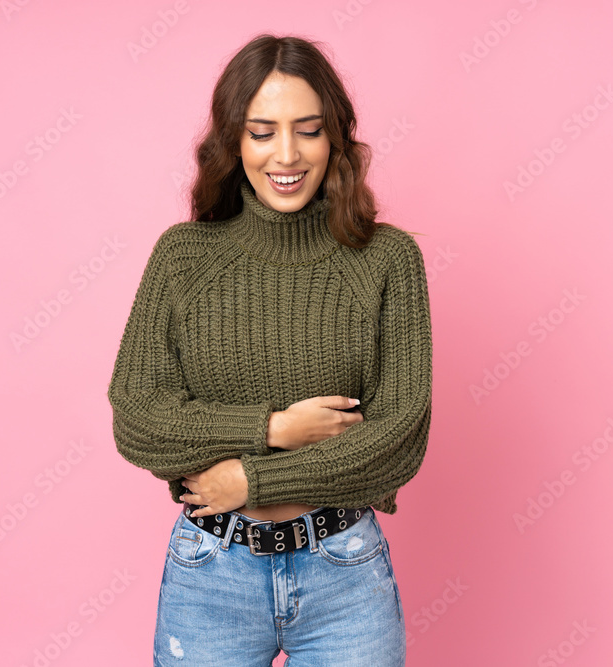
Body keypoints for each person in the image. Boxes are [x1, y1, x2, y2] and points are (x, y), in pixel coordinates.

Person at [107, 33, 432, 667]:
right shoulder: (184, 258)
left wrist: (250, 477)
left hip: (344, 573)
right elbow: (138, 417)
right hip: (210, 575)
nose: (287, 153)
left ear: (334, 137)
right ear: (234, 140)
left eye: (307, 130)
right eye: (262, 132)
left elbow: (397, 442)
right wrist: (276, 428)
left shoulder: (388, 260)